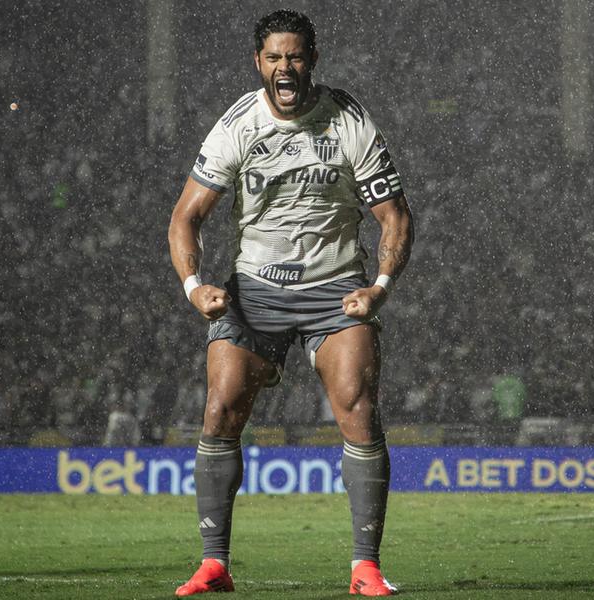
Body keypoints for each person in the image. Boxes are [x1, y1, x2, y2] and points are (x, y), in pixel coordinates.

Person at [167, 9, 413, 597]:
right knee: (221, 410)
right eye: (274, 57)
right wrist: (194, 285)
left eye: (295, 56)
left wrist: (378, 288)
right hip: (255, 290)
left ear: (312, 60)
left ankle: (365, 567)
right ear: (258, 63)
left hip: (335, 288)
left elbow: (394, 217)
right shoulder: (237, 127)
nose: (285, 67)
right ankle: (214, 564)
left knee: (357, 405)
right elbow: (186, 217)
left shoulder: (348, 120)